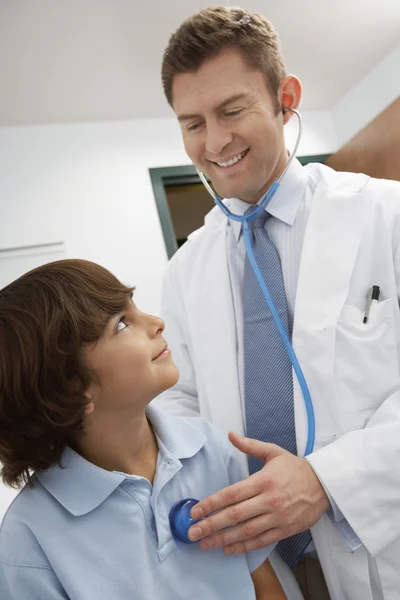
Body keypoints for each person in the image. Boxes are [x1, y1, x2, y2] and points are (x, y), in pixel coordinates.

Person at [156, 5, 400, 600]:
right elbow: (180, 405)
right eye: (192, 123)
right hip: (264, 568)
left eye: (231, 110)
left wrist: (327, 480)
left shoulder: (384, 214)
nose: (214, 141)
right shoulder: (186, 270)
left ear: (285, 98)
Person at [0, 259, 290, 600]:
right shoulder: (28, 539)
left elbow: (263, 582)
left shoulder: (209, 448)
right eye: (122, 324)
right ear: (73, 386)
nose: (157, 323)